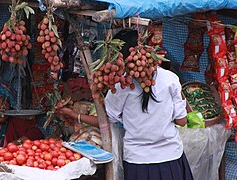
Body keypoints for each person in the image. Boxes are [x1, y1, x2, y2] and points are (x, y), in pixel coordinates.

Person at [56, 29, 193, 180]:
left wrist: (75, 115)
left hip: (137, 162)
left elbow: (106, 120)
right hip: (171, 158)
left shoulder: (121, 87)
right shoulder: (170, 79)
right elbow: (182, 121)